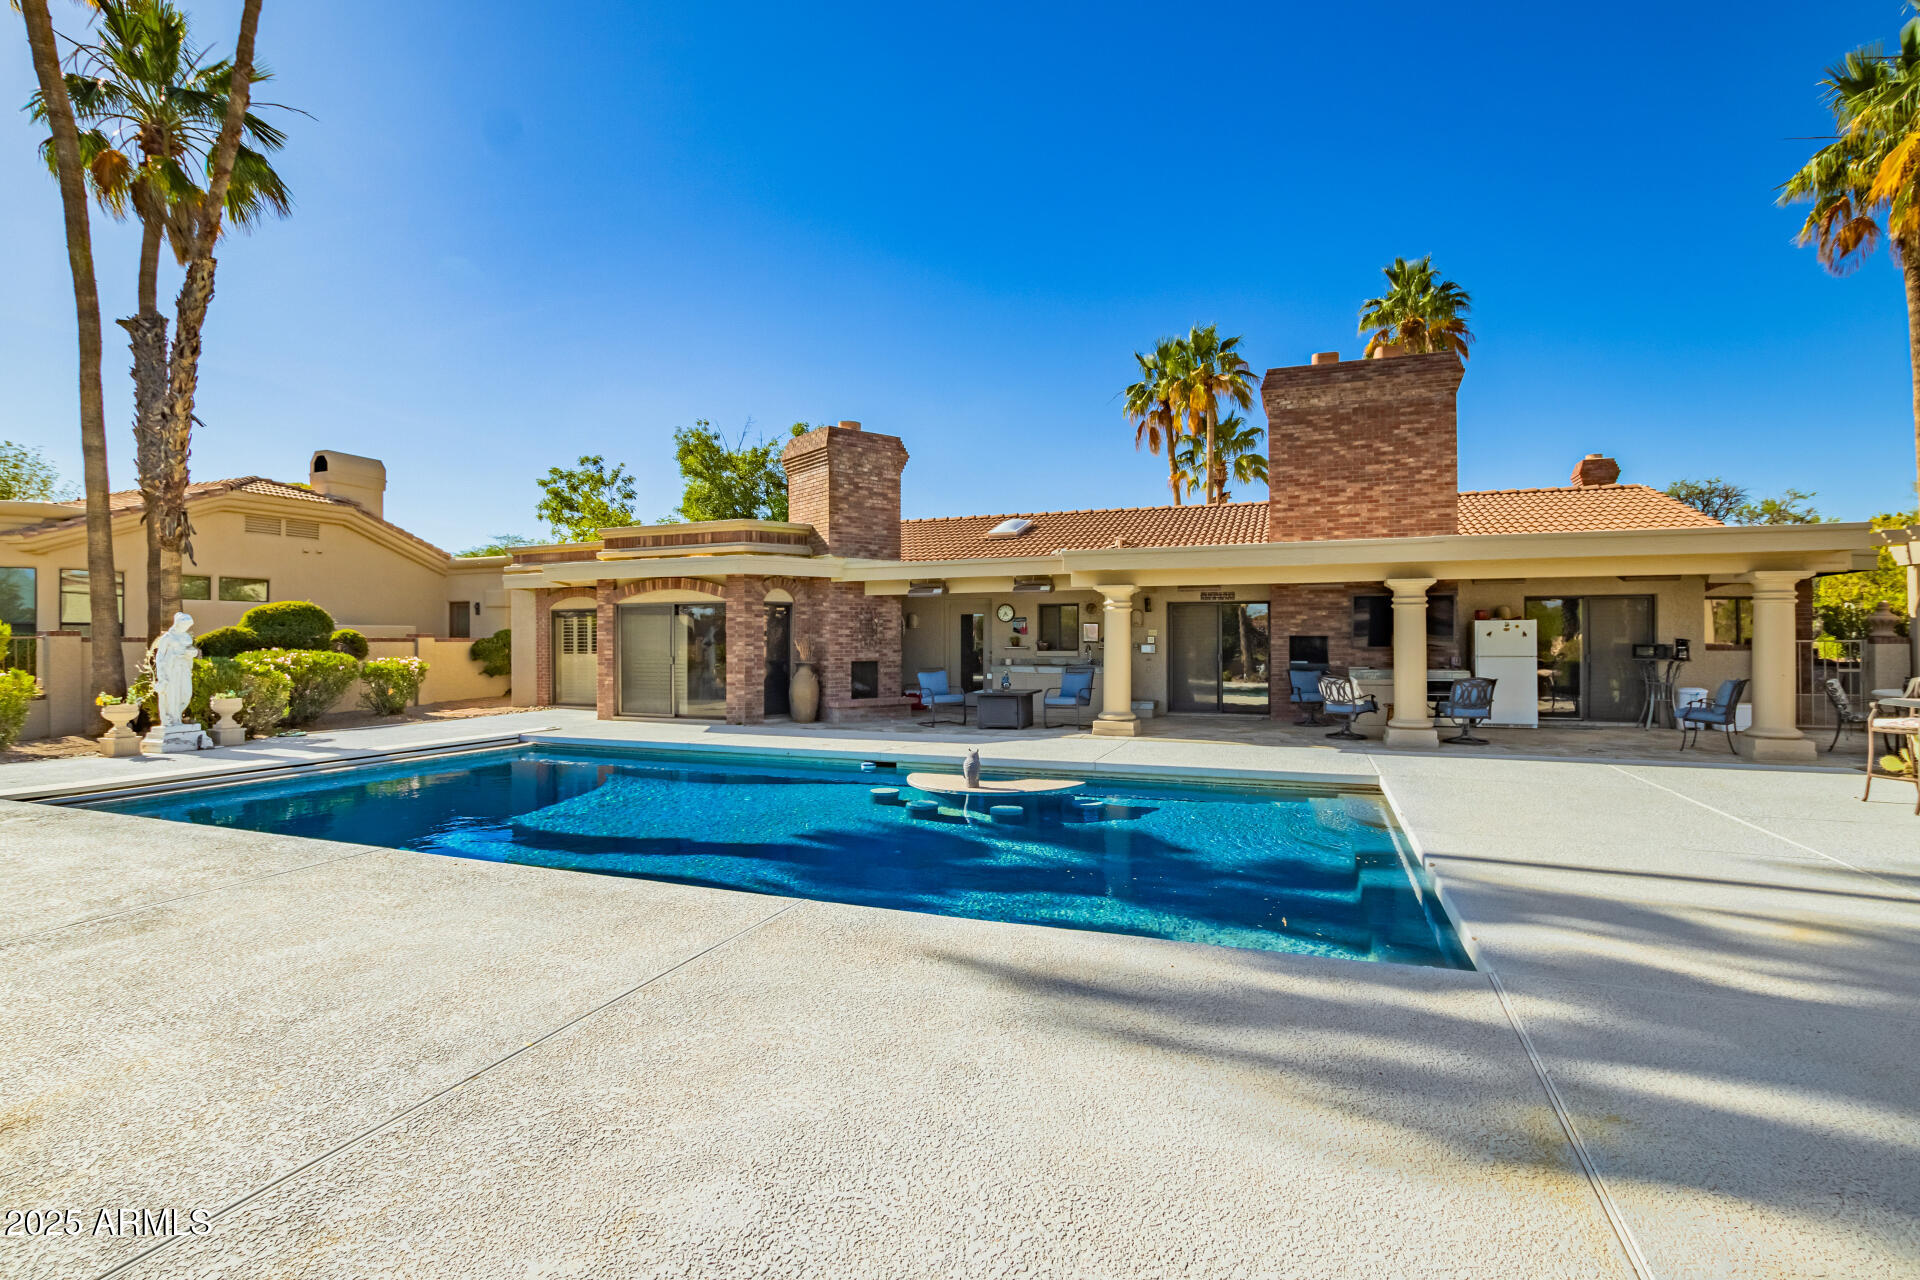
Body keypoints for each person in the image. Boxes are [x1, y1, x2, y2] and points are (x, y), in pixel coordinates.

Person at [150, 612, 199, 730]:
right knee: (172, 694)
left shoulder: (186, 637)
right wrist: (161, 675)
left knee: (186, 693)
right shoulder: (167, 637)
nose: (186, 627)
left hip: (184, 668)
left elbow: (191, 650)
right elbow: (160, 655)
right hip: (171, 669)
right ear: (178, 624)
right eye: (184, 624)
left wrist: (192, 653)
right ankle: (172, 719)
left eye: (188, 625)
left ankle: (177, 716)